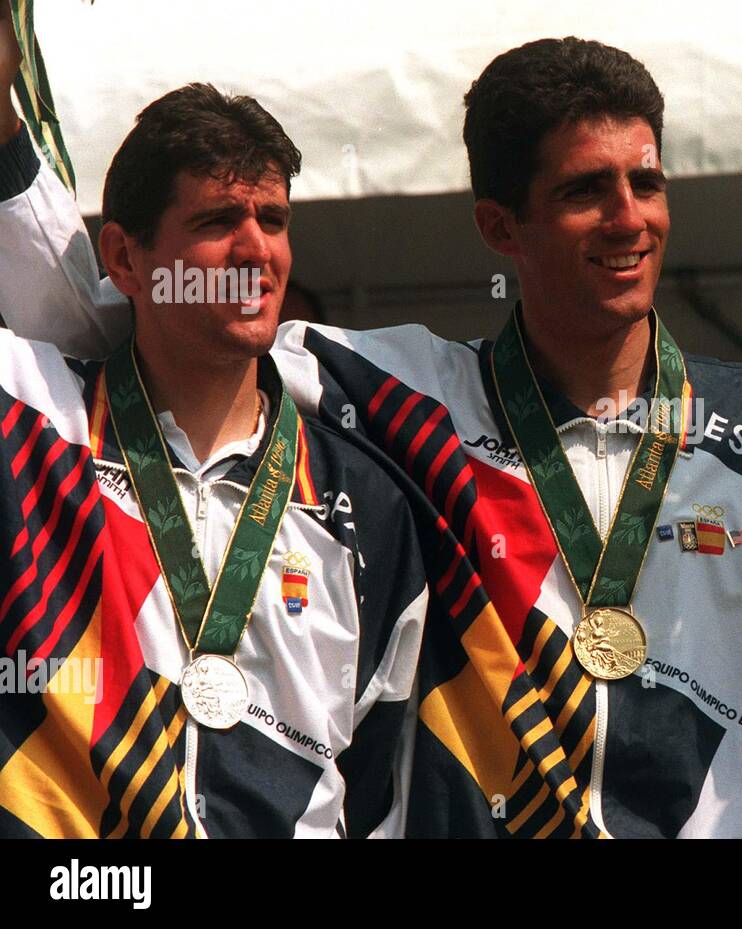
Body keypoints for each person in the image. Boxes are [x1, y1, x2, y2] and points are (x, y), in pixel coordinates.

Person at [0, 37, 742, 837]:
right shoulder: (405, 397)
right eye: (584, 191)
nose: (629, 218)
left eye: (647, 183)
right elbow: (125, 323)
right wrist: (7, 133)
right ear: (498, 227)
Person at [0, 12, 426, 837]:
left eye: (272, 219)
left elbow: (378, 787)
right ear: (124, 259)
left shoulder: (365, 503)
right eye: (215, 222)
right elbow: (40, 266)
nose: (254, 251)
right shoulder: (33, 419)